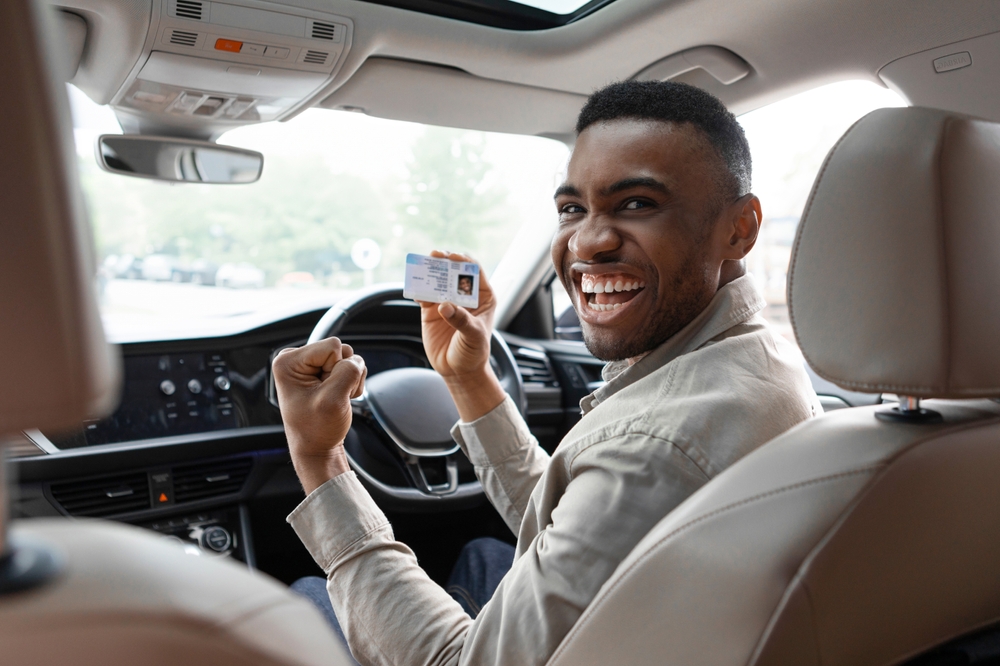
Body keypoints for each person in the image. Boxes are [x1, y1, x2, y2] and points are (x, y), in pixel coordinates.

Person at [273, 80, 821, 666]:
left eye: (637, 203)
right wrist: (469, 378)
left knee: (306, 600)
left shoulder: (655, 448)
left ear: (740, 227)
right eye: (571, 209)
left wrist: (319, 460)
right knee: (487, 554)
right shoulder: (760, 359)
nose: (589, 240)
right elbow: (581, 514)